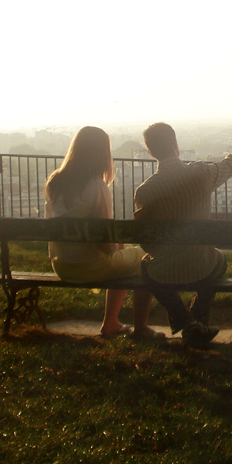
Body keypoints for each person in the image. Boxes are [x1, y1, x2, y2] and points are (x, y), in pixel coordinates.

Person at [133, 122, 232, 348]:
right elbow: (229, 165)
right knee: (220, 260)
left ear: (150, 152)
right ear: (176, 145)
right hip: (201, 264)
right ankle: (196, 323)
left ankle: (189, 324)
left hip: (163, 269)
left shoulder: (144, 191)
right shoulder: (200, 174)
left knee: (147, 267)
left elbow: (147, 243)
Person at [44, 126, 160, 339]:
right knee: (145, 258)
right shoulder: (96, 186)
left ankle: (112, 323)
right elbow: (106, 239)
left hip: (61, 265)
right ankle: (135, 327)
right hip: (89, 266)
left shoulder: (55, 181)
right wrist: (118, 247)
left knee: (124, 258)